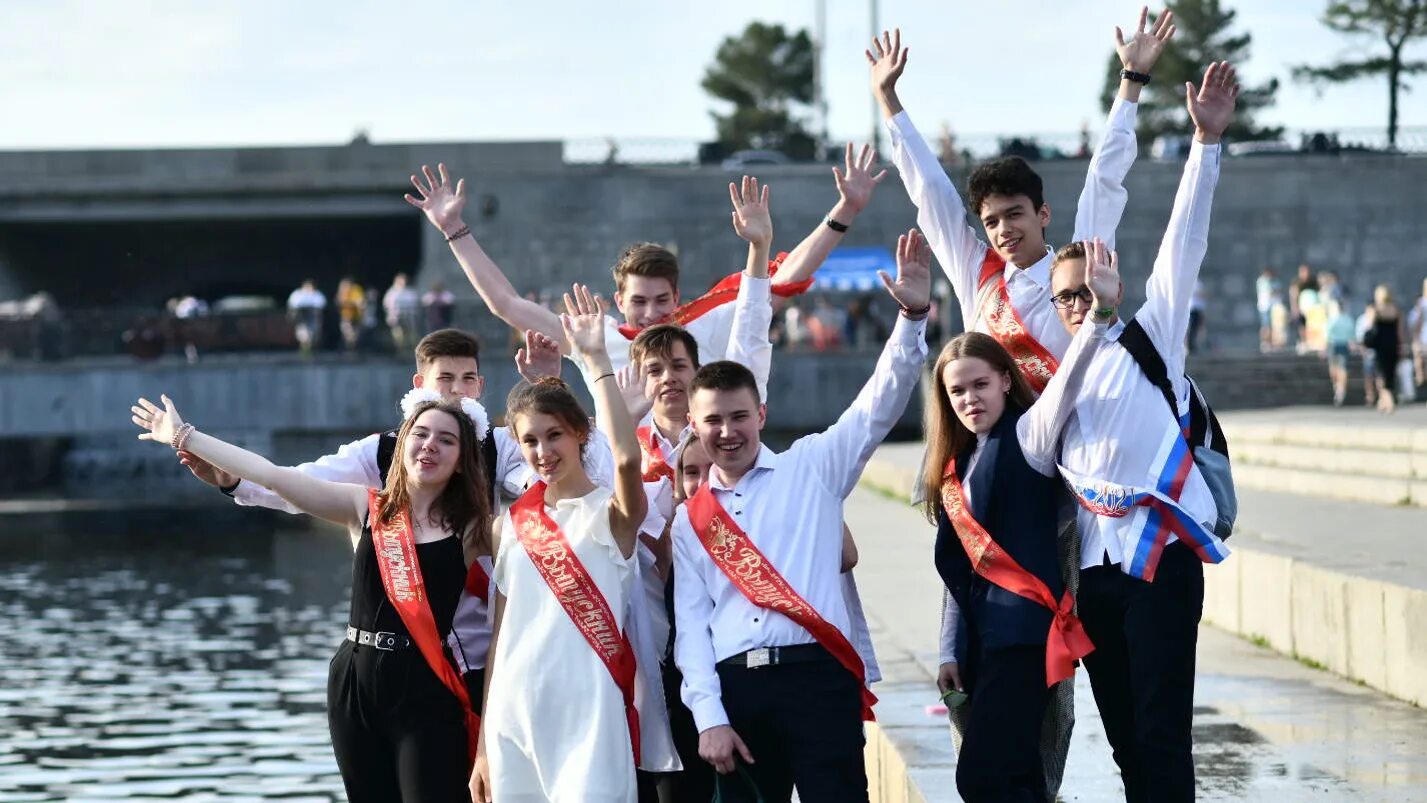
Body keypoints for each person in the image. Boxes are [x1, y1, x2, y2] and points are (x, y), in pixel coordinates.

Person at [176, 328, 592, 705]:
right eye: (445, 380)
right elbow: (298, 484)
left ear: (480, 387)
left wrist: (548, 386)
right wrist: (235, 483)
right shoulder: (382, 451)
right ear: (420, 385)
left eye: (467, 380)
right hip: (403, 634)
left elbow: (555, 475)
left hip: (486, 633)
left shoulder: (500, 444)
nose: (457, 393)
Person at [670, 226, 931, 802]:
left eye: (738, 417)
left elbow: (878, 406)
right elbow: (691, 627)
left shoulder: (812, 467)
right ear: (694, 424)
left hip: (819, 678)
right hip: (737, 692)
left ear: (761, 413)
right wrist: (708, 716)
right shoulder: (690, 520)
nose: (726, 432)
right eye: (712, 421)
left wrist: (912, 319)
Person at [131, 394, 490, 803]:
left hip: (426, 686)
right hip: (355, 681)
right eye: (421, 434)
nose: (429, 445)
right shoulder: (365, 506)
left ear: (462, 459)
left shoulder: (477, 529)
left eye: (446, 440)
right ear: (403, 442)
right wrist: (185, 436)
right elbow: (273, 477)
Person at [1047, 61, 1239, 803]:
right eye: (1061, 295)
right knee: (1126, 736)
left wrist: (1204, 141)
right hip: (1092, 574)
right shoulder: (1054, 378)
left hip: (1159, 563)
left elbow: (1182, 243)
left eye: (1084, 288)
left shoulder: (1149, 336)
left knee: (1162, 731)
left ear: (1110, 280)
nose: (1074, 302)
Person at [870, 9, 1170, 390]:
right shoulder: (978, 275)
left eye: (1014, 214)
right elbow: (932, 193)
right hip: (999, 446)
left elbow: (1104, 179)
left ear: (1042, 213)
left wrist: (1132, 79)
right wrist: (887, 99)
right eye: (991, 221)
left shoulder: (1082, 266)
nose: (1003, 230)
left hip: (1078, 442)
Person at [403, 142, 890, 373]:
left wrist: (845, 209)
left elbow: (786, 278)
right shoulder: (597, 339)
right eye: (640, 301)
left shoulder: (711, 322)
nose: (653, 312)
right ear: (619, 299)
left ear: (678, 296)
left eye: (662, 300)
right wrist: (454, 229)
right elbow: (506, 304)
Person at [926, 239, 1117, 803]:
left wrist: (1099, 314)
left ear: (1006, 381)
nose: (969, 397)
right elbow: (957, 578)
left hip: (1028, 638)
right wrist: (948, 651)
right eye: (956, 390)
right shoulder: (953, 468)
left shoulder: (1030, 436)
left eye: (980, 384)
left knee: (981, 776)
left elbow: (1073, 373)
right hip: (983, 644)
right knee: (1018, 777)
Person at [473, 285, 648, 803]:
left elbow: (627, 462)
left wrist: (594, 359)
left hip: (590, 716)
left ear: (579, 436)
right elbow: (499, 637)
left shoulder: (613, 516)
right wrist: (483, 742)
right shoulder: (510, 524)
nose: (543, 451)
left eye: (554, 436)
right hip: (515, 715)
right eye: (530, 440)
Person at [1363, 285, 1407, 414]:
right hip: (1392, 345)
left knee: (1381, 375)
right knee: (1390, 375)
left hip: (1380, 346)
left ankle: (1389, 401)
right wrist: (1401, 346)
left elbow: (1369, 327)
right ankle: (1383, 401)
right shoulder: (1396, 309)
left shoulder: (1375, 309)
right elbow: (1400, 332)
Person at [1324, 300, 1355, 406]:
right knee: (1339, 368)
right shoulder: (1347, 319)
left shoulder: (1334, 319)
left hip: (1336, 344)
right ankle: (1339, 388)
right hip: (1339, 344)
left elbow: (1327, 334)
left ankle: (1339, 388)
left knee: (1337, 368)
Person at [287, 279, 326, 355]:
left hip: (312, 317)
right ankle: (304, 352)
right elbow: (292, 306)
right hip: (301, 318)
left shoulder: (317, 295)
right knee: (304, 337)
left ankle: (312, 351)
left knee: (313, 336)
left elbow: (321, 306)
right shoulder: (297, 294)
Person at [385, 273, 422, 352]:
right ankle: (401, 353)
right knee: (399, 337)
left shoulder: (410, 292)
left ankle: (410, 354)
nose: (403, 282)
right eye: (401, 281)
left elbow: (415, 304)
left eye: (404, 280)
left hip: (410, 319)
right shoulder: (392, 293)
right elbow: (387, 305)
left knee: (411, 337)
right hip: (397, 319)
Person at [1289, 263, 1319, 348]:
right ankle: (1303, 341)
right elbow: (1293, 296)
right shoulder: (1297, 282)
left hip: (1312, 309)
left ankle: (1311, 341)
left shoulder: (1313, 282)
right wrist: (1295, 309)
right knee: (1302, 326)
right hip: (1301, 308)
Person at [1255, 268, 1282, 352]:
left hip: (1274, 307)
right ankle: (1265, 342)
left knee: (1274, 326)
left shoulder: (1276, 282)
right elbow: (1268, 291)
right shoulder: (1261, 281)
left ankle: (1272, 343)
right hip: (1264, 307)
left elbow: (1278, 292)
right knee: (1265, 325)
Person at [337, 277, 366, 353]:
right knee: (347, 334)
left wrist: (358, 306)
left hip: (356, 317)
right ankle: (348, 349)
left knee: (355, 335)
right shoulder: (342, 291)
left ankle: (353, 349)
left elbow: (361, 303)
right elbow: (339, 302)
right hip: (346, 317)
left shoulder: (356, 290)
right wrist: (350, 304)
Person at [1410, 278, 1427, 389]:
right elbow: (1416, 323)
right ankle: (1420, 377)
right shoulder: (1421, 303)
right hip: (1423, 338)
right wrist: (1416, 339)